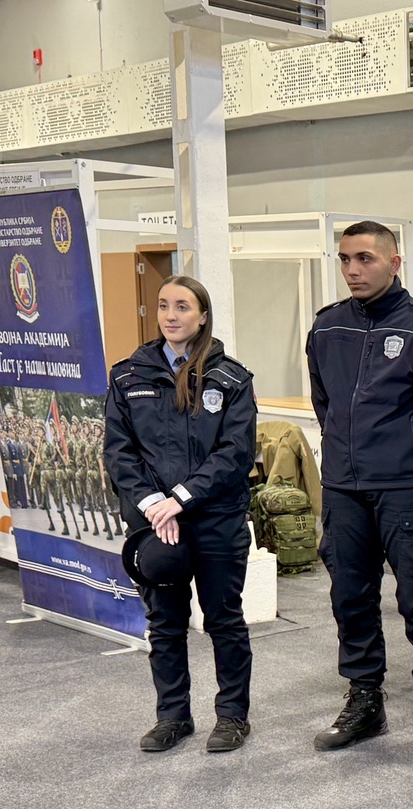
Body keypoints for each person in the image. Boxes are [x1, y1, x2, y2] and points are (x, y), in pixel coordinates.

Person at [306, 220, 413, 760]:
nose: (353, 269)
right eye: (345, 259)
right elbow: (326, 404)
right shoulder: (327, 327)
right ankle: (365, 700)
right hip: (344, 487)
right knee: (350, 597)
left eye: (365, 258)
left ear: (394, 262)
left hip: (408, 486)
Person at [104, 275, 259, 753]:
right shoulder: (128, 376)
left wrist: (182, 497)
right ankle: (172, 716)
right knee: (165, 623)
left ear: (203, 315)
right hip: (155, 523)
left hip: (215, 519)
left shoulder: (231, 379)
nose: (171, 315)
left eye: (183, 307)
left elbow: (235, 453)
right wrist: (154, 504)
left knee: (223, 619)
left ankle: (232, 716)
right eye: (164, 306)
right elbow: (119, 452)